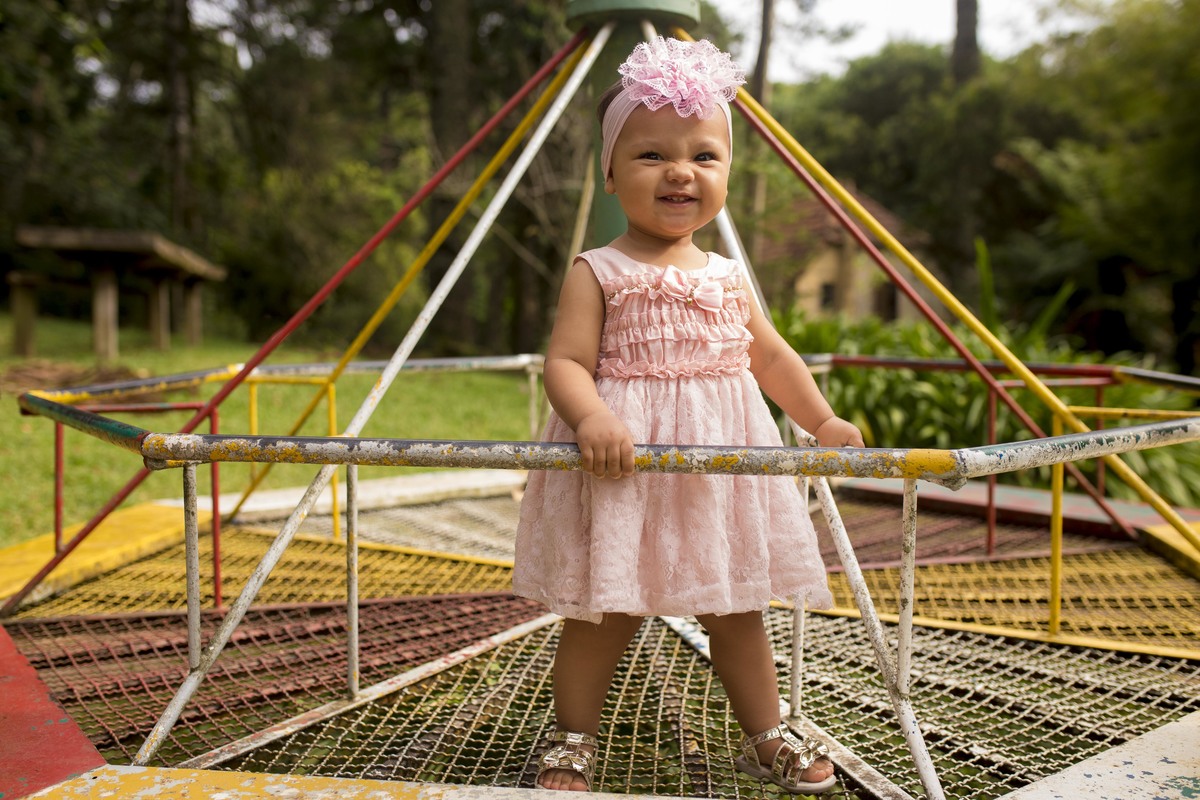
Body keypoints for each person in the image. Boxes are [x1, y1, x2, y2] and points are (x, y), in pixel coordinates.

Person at [513, 36, 864, 794]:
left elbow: (772, 359)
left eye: (705, 156)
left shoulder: (729, 277)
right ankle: (571, 740)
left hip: (717, 476)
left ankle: (765, 735)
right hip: (625, 469)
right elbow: (565, 362)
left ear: (726, 174)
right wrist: (591, 416)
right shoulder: (599, 271)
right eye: (652, 155)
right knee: (605, 614)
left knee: (736, 610)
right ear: (610, 172)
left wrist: (822, 422)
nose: (681, 171)